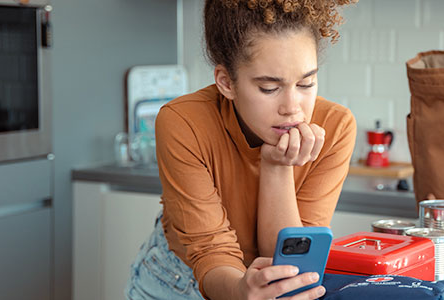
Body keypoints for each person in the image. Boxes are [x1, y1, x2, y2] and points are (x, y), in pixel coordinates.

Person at [124, 0, 357, 299]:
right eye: (269, 88)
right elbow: (211, 250)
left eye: (306, 83)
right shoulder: (183, 123)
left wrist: (277, 167)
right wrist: (241, 291)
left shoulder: (335, 127)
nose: (292, 108)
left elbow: (289, 261)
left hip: (265, 288)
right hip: (178, 283)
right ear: (226, 83)